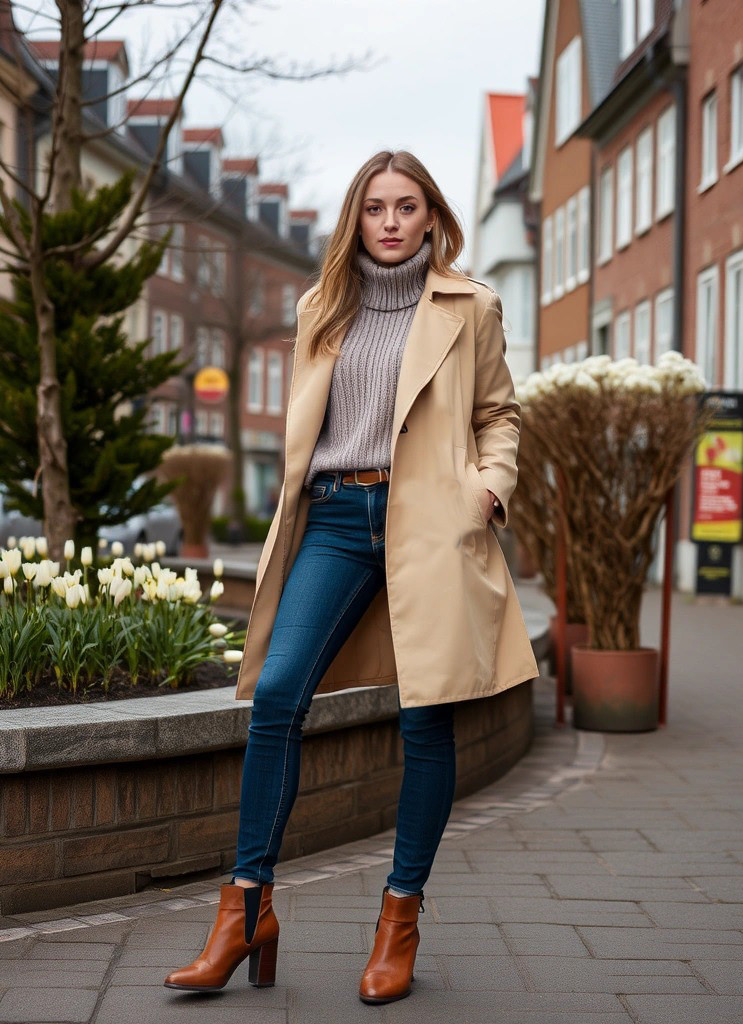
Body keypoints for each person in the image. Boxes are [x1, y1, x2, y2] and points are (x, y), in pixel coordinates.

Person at [164, 150, 538, 1004]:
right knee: (278, 695)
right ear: (357, 219)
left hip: (431, 524)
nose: (393, 221)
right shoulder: (321, 307)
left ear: (432, 216)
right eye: (377, 208)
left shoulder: (471, 306)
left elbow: (499, 414)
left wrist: (486, 490)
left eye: (408, 206)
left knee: (425, 717)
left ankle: (398, 918)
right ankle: (244, 909)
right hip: (335, 518)